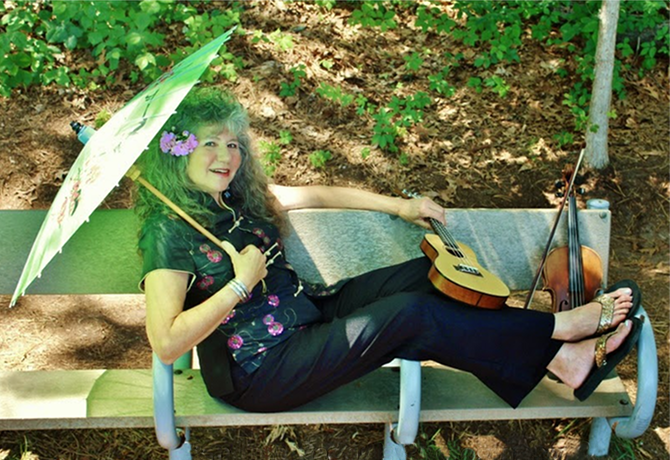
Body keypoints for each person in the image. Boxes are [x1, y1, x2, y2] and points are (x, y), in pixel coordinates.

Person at [135, 87, 642, 413]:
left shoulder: (239, 201)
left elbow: (319, 194)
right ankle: (560, 334)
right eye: (209, 144)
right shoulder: (167, 231)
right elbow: (167, 342)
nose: (226, 155)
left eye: (234, 143)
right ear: (177, 151)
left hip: (308, 315)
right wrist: (241, 281)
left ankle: (562, 361)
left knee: (425, 277)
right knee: (412, 315)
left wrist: (398, 207)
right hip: (260, 369)